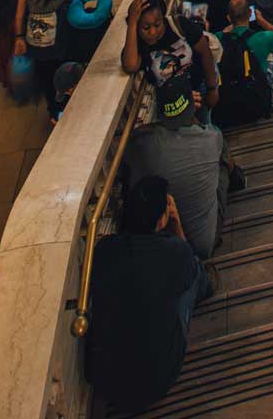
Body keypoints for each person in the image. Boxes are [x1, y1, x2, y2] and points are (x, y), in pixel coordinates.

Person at [85, 174, 210, 412]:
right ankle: (209, 280)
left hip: (106, 381)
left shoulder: (104, 250)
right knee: (195, 277)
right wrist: (177, 226)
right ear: (161, 220)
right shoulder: (173, 253)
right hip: (157, 380)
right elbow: (184, 258)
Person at [128, 79, 238, 261]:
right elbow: (200, 128)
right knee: (222, 161)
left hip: (165, 240)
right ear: (191, 104)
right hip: (204, 243)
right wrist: (192, 113)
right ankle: (237, 179)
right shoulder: (212, 136)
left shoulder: (143, 142)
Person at [12, 0, 96, 118]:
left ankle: (53, 110)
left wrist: (19, 38)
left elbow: (18, 15)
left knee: (45, 76)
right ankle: (67, 104)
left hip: (34, 40)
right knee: (63, 72)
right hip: (57, 38)